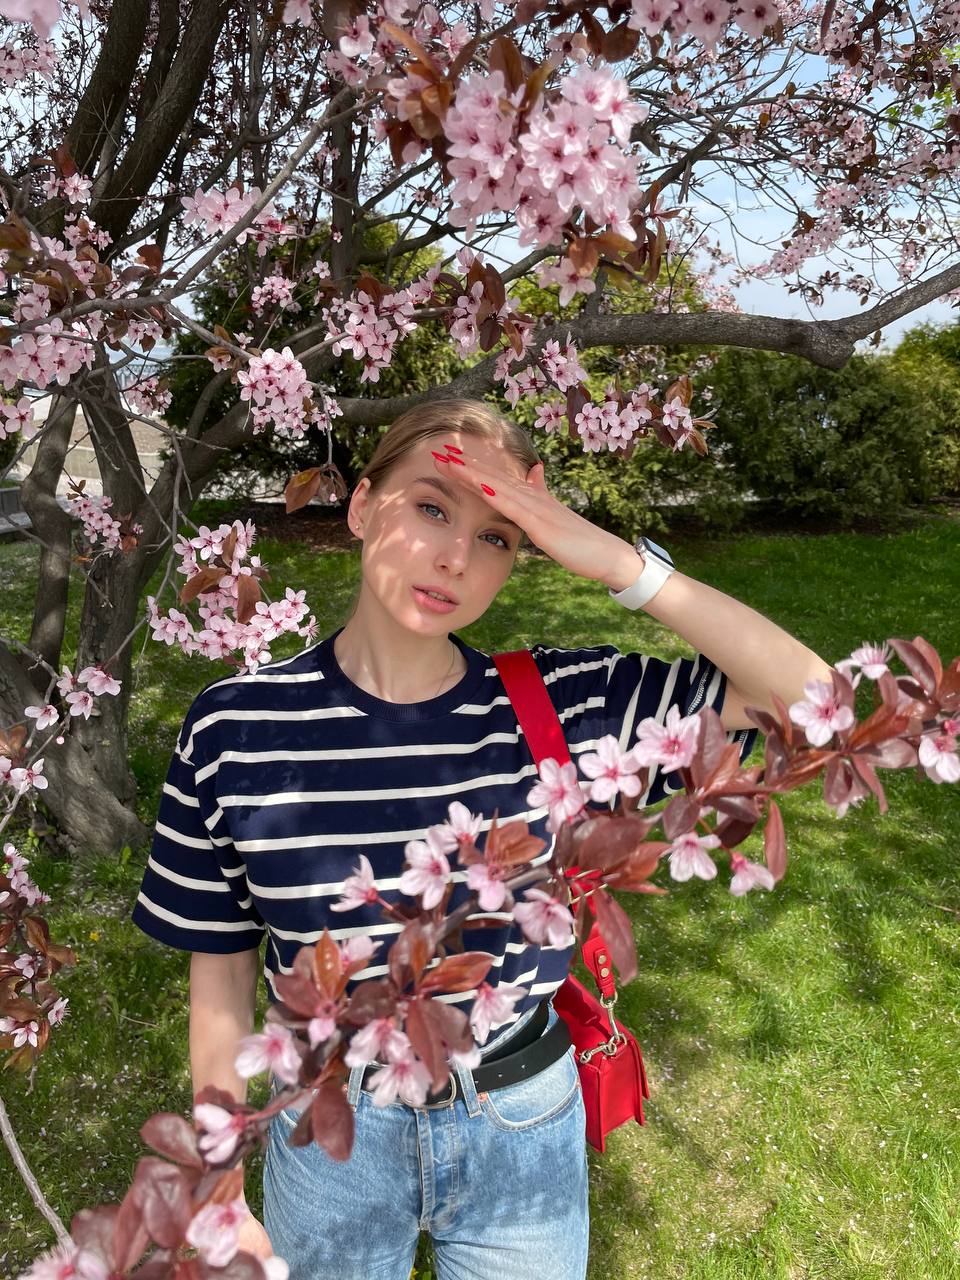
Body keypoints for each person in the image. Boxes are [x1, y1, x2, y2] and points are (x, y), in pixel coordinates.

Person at [131, 398, 833, 1280]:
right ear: (359, 508)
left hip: (519, 1119)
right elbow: (223, 969)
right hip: (328, 1127)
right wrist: (216, 1172)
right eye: (431, 507)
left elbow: (814, 698)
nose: (457, 557)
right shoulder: (237, 729)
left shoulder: (565, 705)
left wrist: (617, 563)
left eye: (499, 536)